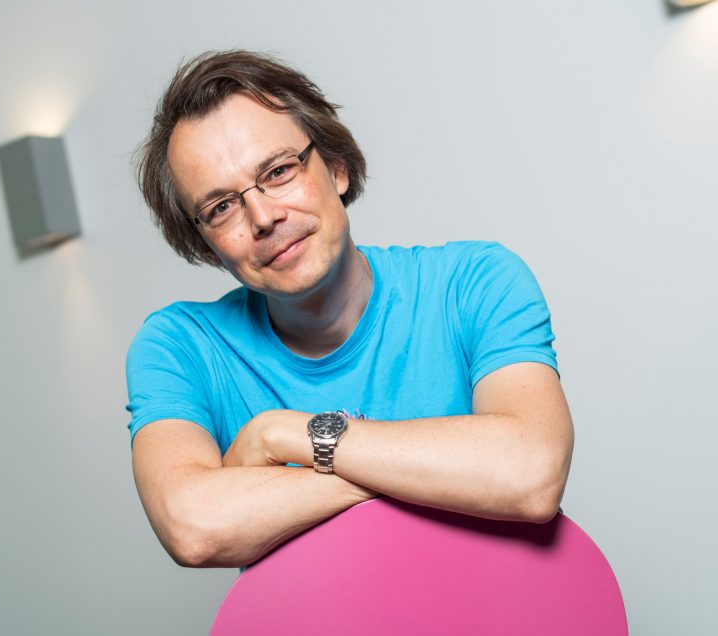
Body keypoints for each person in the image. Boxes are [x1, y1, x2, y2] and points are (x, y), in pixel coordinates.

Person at [127, 50, 574, 569]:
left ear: (336, 166)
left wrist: (283, 434)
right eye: (221, 207)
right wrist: (445, 479)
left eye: (278, 171)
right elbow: (195, 528)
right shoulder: (180, 346)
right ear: (205, 245)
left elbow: (531, 472)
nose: (264, 216)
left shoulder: (473, 282)